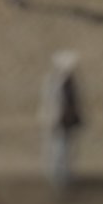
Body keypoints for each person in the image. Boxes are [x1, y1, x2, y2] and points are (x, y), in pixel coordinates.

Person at [42, 53, 84, 194]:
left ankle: (66, 173)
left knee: (68, 147)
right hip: (58, 120)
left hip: (68, 119)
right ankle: (57, 175)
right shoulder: (54, 82)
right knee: (58, 148)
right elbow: (51, 102)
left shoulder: (72, 81)